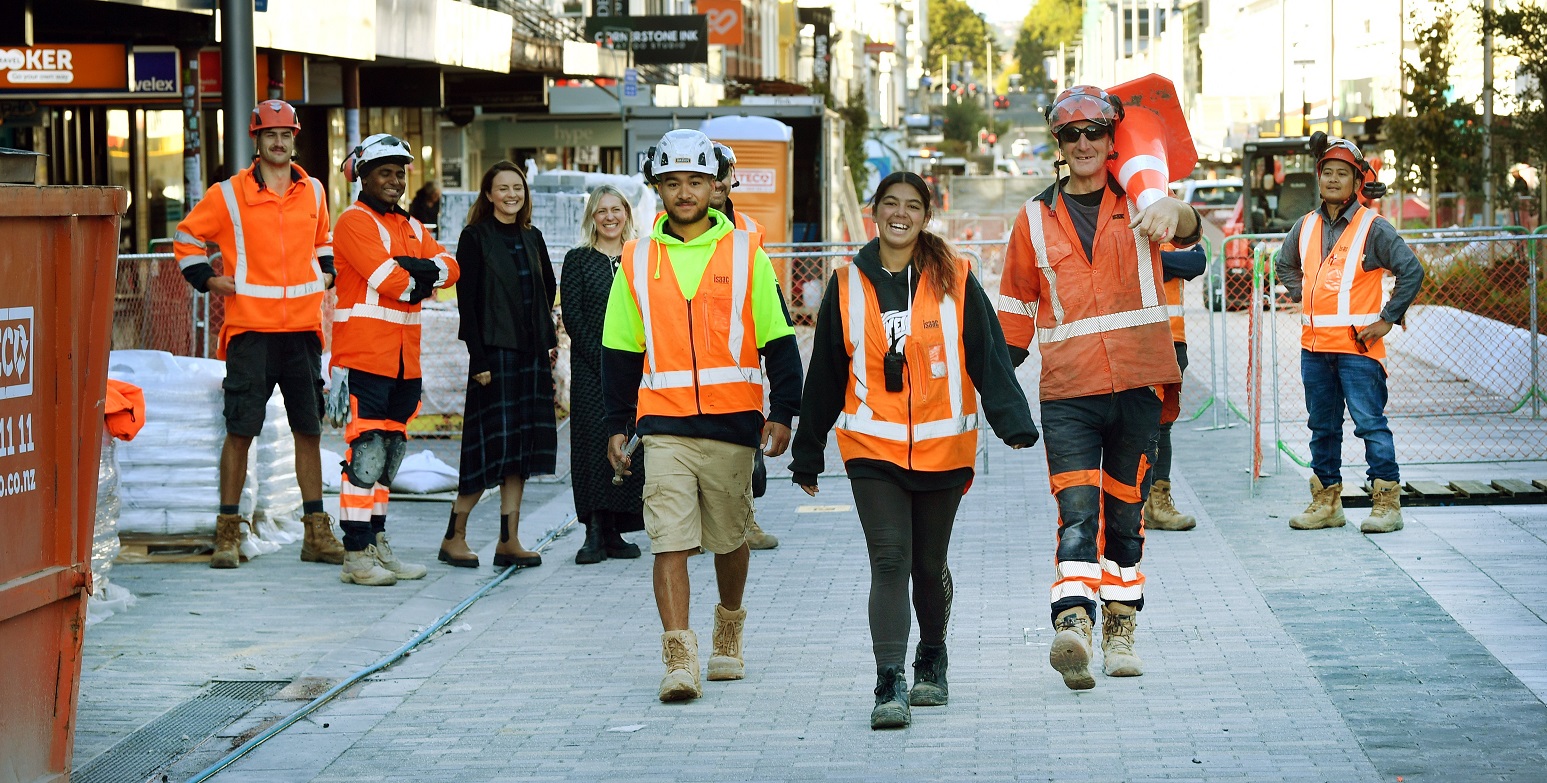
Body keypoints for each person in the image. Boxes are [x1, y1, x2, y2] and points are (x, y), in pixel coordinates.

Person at [791, 172, 1039, 729]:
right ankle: (889, 680)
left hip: (943, 449)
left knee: (928, 566)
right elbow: (826, 374)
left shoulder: (955, 276)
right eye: (890, 204)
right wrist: (808, 452)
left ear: (926, 216)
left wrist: (1013, 420)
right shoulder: (847, 283)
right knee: (889, 559)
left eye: (912, 206)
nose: (900, 214)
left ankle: (933, 656)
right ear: (874, 211)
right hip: (871, 448)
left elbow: (987, 352)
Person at [996, 85, 1204, 691]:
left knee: (1126, 512)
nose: (1083, 143)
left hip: (1139, 383)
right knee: (1077, 511)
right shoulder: (1033, 219)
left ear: (1113, 140)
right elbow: (1013, 307)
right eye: (1071, 134)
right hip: (1070, 391)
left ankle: (1121, 627)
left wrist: (1176, 211)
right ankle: (1074, 625)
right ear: (1057, 144)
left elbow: (1194, 236)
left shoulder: (1143, 201)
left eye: (1094, 132)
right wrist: (992, 389)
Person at [602, 129, 803, 702]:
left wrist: (784, 410)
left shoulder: (745, 253)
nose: (684, 191)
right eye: (672, 182)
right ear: (658, 188)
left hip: (732, 425)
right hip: (662, 427)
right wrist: (616, 426)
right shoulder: (637, 259)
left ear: (714, 184)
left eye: (694, 180)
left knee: (729, 539)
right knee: (667, 539)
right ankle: (678, 656)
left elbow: (779, 340)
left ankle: (729, 630)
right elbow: (619, 351)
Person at [173, 99, 345, 570]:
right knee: (240, 431)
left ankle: (316, 532)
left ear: (294, 138)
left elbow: (323, 240)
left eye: (286, 133)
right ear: (256, 139)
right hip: (250, 329)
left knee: (308, 431)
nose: (278, 141)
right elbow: (186, 237)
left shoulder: (313, 190)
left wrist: (327, 271)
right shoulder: (228, 195)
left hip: (304, 332)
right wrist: (208, 279)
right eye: (270, 134)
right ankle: (227, 533)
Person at [1274, 136, 1424, 535]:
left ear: (1357, 181)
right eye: (1328, 173)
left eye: (1343, 173)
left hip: (1359, 349)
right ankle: (1326, 503)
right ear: (1318, 178)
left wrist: (1388, 319)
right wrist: (1304, 295)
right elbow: (1282, 264)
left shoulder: (1373, 228)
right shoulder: (1305, 226)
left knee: (1370, 424)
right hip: (1315, 349)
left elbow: (1412, 271)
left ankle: (1387, 505)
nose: (1334, 179)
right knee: (1322, 428)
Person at [331, 133, 460, 586]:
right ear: (363, 176)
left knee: (387, 459)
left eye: (399, 172)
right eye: (384, 171)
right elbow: (393, 282)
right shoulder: (353, 222)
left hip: (405, 361)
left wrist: (415, 271)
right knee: (364, 456)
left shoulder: (409, 225)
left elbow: (451, 268)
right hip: (364, 357)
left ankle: (376, 542)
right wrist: (419, 273)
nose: (394, 180)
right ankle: (355, 554)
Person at [439, 161, 557, 570]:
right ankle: (455, 537)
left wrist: (546, 340)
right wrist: (479, 359)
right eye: (502, 188)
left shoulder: (532, 236)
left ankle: (509, 541)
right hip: (495, 357)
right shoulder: (474, 238)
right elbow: (466, 303)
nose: (511, 194)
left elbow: (548, 289)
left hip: (530, 357)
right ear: (488, 194)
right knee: (487, 452)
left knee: (519, 451)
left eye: (517, 188)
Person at [562, 185, 646, 565]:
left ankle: (616, 530)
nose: (610, 217)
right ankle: (593, 530)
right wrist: (604, 363)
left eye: (617, 209)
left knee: (630, 444)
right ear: (591, 217)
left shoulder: (641, 258)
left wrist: (633, 366)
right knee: (592, 446)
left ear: (627, 213)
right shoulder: (578, 260)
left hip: (635, 371)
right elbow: (573, 317)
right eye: (601, 211)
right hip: (590, 369)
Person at [709, 140, 781, 551]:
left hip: (741, 355)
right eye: (711, 173)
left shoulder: (751, 230)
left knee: (744, 447)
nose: (718, 182)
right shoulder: (668, 225)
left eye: (724, 174)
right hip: (691, 352)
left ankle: (746, 523)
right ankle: (707, 528)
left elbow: (764, 294)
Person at [1144, 245, 1209, 531]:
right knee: (1131, 423)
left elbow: (1196, 262)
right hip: (1136, 338)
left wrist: (1148, 259)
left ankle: (1157, 502)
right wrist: (1167, 263)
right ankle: (1131, 503)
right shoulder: (1119, 220)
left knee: (1163, 423)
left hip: (1173, 339)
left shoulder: (1178, 225)